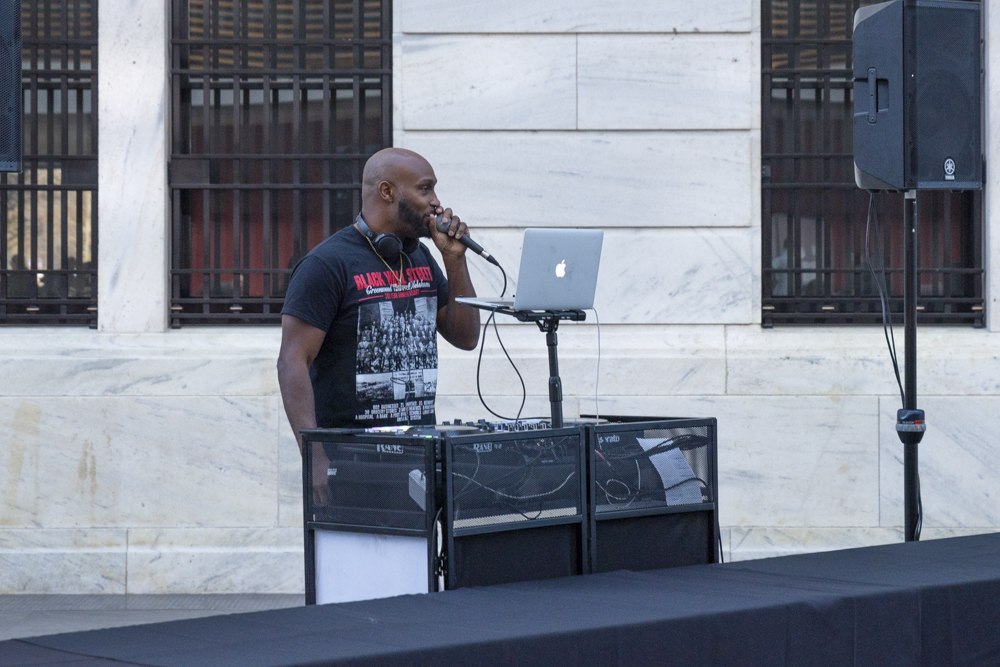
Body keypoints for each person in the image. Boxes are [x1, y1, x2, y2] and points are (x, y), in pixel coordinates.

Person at [277, 148, 481, 502]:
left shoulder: (419, 256)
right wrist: (314, 457)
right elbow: (292, 361)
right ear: (387, 192)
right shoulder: (327, 264)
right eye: (425, 189)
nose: (436, 203)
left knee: (419, 559)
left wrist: (454, 261)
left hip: (418, 456)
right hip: (353, 464)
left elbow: (465, 337)